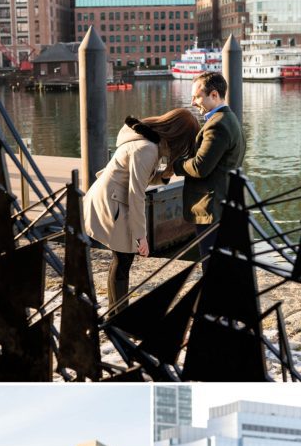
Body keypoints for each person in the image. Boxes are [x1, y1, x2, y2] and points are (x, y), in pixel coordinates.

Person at [83, 109, 199, 310]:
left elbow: (139, 176)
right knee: (123, 260)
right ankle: (117, 316)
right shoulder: (147, 148)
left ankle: (116, 312)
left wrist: (163, 175)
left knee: (121, 260)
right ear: (178, 137)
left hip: (108, 197)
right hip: (113, 202)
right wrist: (141, 236)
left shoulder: (145, 141)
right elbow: (136, 193)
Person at [172, 71, 246, 265]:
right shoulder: (230, 119)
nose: (193, 102)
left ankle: (212, 296)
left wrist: (175, 166)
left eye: (197, 97)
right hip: (222, 202)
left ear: (214, 95)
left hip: (211, 207)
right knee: (221, 263)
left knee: (211, 264)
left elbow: (200, 167)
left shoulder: (217, 125)